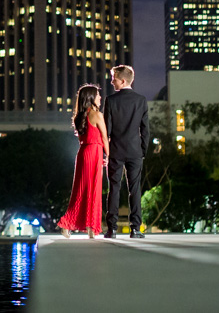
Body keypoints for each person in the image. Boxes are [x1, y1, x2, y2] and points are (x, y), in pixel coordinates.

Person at [103, 64, 150, 238]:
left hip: (115, 150)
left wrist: (105, 152)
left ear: (122, 81)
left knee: (114, 188)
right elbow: (145, 130)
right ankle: (136, 229)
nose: (111, 81)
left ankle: (112, 229)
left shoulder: (111, 100)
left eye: (113, 78)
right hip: (135, 150)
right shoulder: (141, 100)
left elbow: (106, 130)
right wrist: (143, 150)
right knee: (135, 189)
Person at [57, 83, 108, 239]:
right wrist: (109, 157)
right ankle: (92, 228)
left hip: (83, 154)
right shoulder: (97, 115)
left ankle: (67, 224)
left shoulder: (80, 116)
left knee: (80, 191)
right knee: (94, 190)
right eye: (98, 95)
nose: (100, 98)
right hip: (94, 153)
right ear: (91, 98)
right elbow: (105, 138)